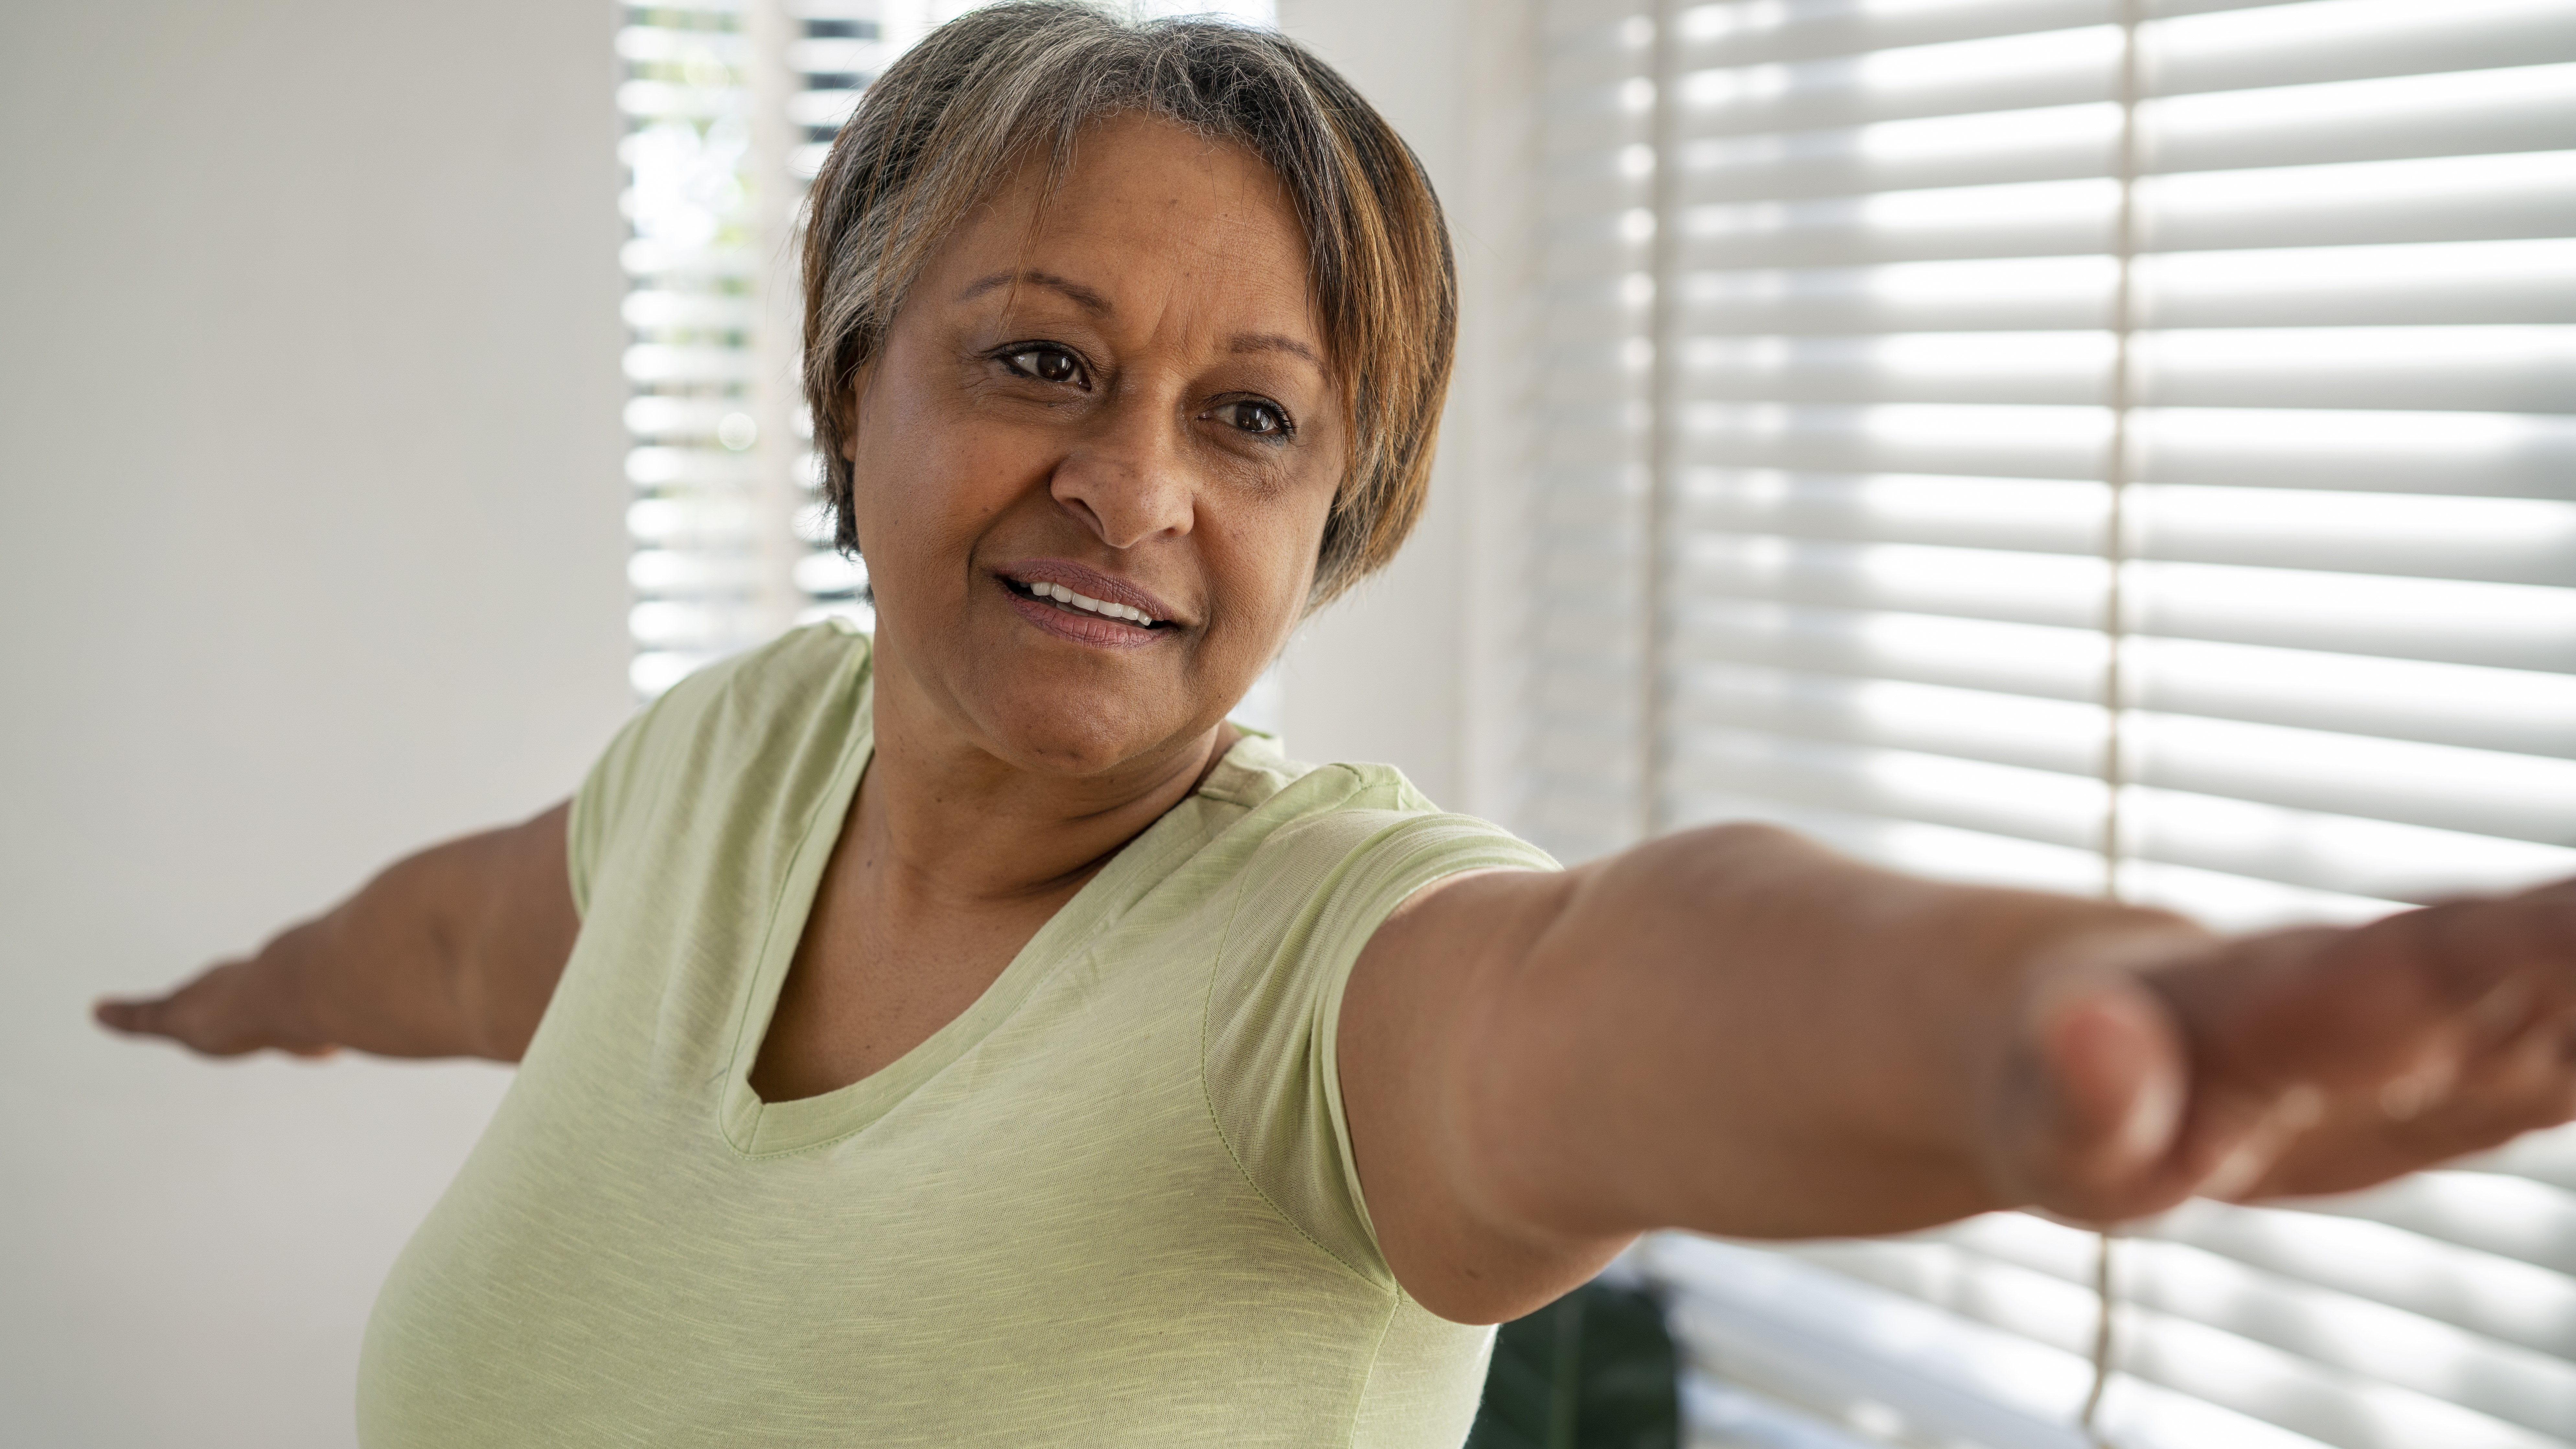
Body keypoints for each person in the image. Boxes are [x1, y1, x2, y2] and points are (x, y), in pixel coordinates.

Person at [96, 4, 2576, 1445]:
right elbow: (457, 945)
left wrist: (2041, 1028)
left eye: (1254, 421)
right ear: (855, 378)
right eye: (1041, 359)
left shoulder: (1322, 964)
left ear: (1339, 509)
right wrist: (244, 998)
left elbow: (1610, 990)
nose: (1131, 487)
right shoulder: (737, 763)